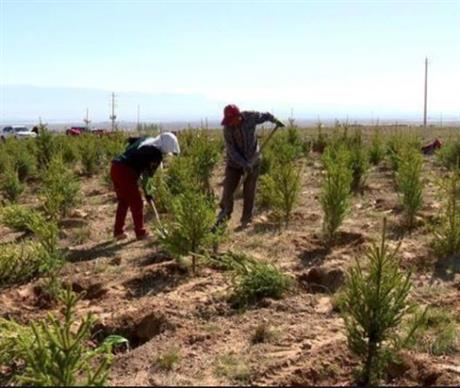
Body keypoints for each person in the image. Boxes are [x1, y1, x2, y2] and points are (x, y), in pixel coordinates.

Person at [215, 104, 284, 229]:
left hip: (253, 160)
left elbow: (264, 116)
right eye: (228, 121)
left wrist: (274, 120)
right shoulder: (227, 129)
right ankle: (225, 213)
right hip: (234, 164)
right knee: (229, 189)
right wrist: (243, 164)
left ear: (238, 116)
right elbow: (232, 151)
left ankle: (246, 219)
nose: (230, 124)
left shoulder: (250, 117)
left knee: (249, 190)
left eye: (232, 120)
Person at [111, 132, 180, 240]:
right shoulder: (155, 153)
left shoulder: (147, 139)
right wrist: (148, 194)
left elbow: (131, 145)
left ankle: (118, 232)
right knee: (137, 202)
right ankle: (141, 233)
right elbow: (147, 177)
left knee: (124, 201)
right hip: (125, 172)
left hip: (115, 167)